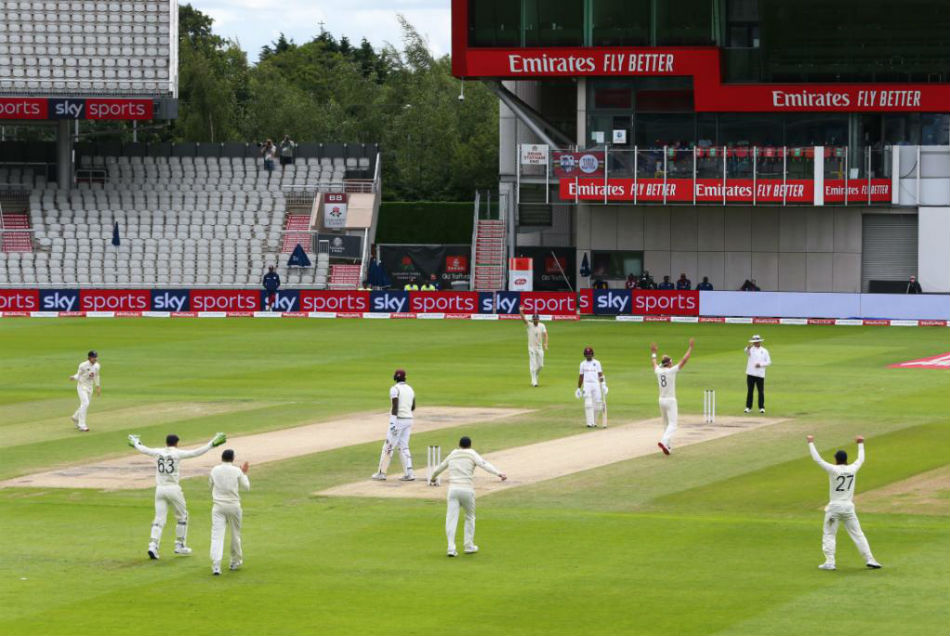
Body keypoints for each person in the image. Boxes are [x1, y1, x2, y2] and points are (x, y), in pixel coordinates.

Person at [128, 431, 227, 560]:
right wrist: (212, 443)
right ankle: (179, 545)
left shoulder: (158, 452)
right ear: (177, 443)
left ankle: (152, 545)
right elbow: (196, 452)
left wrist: (135, 442)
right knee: (182, 516)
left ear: (166, 442)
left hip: (160, 489)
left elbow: (143, 449)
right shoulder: (177, 453)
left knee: (159, 519)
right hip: (173, 489)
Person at [807, 435, 882, 571]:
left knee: (829, 534)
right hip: (848, 508)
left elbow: (817, 459)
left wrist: (811, 443)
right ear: (846, 459)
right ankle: (871, 559)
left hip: (834, 507)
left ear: (836, 459)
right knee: (858, 534)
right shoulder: (852, 469)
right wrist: (860, 444)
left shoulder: (833, 469)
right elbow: (861, 459)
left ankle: (830, 562)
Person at [428, 436, 507, 557]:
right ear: (470, 445)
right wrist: (499, 473)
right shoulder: (472, 453)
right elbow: (484, 464)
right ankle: (468, 545)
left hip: (453, 490)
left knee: (451, 519)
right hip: (467, 490)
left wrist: (433, 477)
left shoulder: (453, 454)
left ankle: (451, 547)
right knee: (470, 517)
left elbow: (440, 467)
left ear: (459, 445)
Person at [209, 449, 250, 576]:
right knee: (235, 535)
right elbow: (247, 487)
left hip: (218, 507)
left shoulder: (214, 470)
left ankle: (216, 566)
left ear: (222, 458)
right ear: (232, 459)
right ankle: (234, 562)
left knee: (217, 536)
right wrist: (244, 473)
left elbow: (210, 486)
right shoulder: (237, 471)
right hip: (233, 506)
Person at [650, 338, 694, 455]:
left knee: (666, 424)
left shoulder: (658, 371)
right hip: (670, 400)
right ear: (669, 363)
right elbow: (684, 360)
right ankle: (664, 442)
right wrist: (690, 348)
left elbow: (653, 363)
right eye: (671, 362)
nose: (672, 363)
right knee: (673, 425)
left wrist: (653, 352)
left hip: (661, 400)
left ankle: (668, 446)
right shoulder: (671, 371)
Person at [371, 368, 416, 481]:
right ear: (405, 378)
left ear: (395, 377)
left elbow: (395, 407)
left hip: (398, 420)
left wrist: (393, 422)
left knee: (388, 446)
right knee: (404, 446)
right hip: (409, 419)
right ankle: (409, 474)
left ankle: (381, 473)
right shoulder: (410, 389)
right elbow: (413, 407)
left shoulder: (394, 389)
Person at [576, 346, 607, 428]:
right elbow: (581, 376)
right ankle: (589, 423)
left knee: (598, 405)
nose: (588, 356)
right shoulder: (582, 364)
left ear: (592, 354)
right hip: (587, 385)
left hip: (596, 384)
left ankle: (595, 421)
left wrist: (603, 385)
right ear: (584, 355)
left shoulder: (597, 363)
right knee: (588, 404)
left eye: (589, 354)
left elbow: (600, 374)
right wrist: (578, 388)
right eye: (587, 354)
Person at [69, 350, 100, 432]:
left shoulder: (97, 366)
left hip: (90, 387)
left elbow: (96, 375)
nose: (95, 359)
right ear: (89, 358)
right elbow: (78, 374)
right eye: (94, 357)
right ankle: (82, 425)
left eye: (96, 357)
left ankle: (75, 417)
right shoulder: (83, 365)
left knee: (85, 405)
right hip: (82, 386)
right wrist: (74, 377)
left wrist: (97, 385)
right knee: (85, 403)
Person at [519, 306, 548, 387]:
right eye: (534, 319)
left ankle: (535, 375)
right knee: (533, 364)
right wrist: (521, 311)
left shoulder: (542, 325)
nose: (535, 320)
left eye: (536, 319)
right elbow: (524, 319)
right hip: (531, 348)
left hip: (539, 348)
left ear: (538, 319)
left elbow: (545, 335)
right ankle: (534, 381)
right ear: (532, 319)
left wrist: (545, 343)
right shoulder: (529, 325)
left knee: (541, 365)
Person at [744, 335, 771, 413]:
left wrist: (761, 364)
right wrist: (748, 348)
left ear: (760, 342)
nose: (755, 343)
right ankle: (748, 407)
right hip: (750, 373)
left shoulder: (765, 351)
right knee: (750, 391)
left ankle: (761, 407)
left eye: (757, 342)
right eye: (754, 342)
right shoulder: (750, 349)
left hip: (760, 374)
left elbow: (769, 362)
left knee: (760, 391)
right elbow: (746, 350)